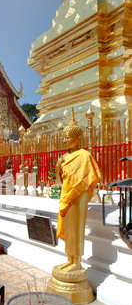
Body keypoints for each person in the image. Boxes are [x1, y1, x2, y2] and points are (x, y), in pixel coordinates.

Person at [55, 111, 102, 272]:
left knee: (77, 227)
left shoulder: (85, 155)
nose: (64, 140)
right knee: (68, 228)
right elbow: (61, 181)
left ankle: (77, 262)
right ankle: (69, 259)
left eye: (67, 137)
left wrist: (76, 190)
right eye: (63, 137)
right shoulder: (64, 158)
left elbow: (92, 176)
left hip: (78, 196)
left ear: (77, 138)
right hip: (66, 196)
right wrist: (58, 167)